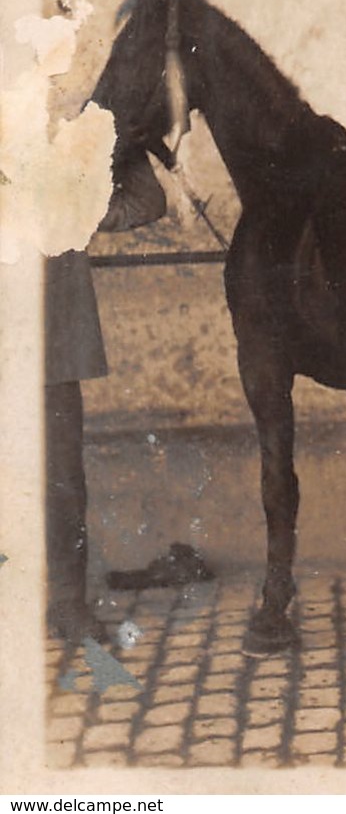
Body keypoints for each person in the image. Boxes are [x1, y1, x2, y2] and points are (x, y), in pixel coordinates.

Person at [45, 140, 167, 642]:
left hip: (44, 347)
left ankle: (68, 604)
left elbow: (145, 201)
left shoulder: (60, 132)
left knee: (61, 484)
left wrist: (125, 133)